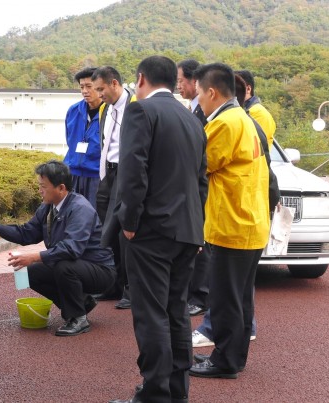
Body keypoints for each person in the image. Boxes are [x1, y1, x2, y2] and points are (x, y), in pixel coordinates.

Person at [108, 55, 208, 403]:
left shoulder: (141, 111)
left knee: (150, 314)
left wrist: (130, 222)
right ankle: (176, 392)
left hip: (151, 230)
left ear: (140, 79)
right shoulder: (192, 118)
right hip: (187, 231)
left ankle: (154, 394)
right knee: (176, 312)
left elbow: (133, 171)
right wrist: (197, 228)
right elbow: (201, 180)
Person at [189, 63, 270, 379]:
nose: (198, 101)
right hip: (248, 223)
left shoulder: (224, 123)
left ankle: (224, 360)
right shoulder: (243, 118)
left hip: (231, 225)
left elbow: (199, 165)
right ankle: (233, 358)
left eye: (198, 93)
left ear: (211, 92)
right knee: (238, 299)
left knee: (224, 300)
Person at [0, 160, 115, 337]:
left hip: (100, 271)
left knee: (63, 266)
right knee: (30, 273)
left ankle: (78, 318)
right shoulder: (48, 207)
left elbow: (71, 249)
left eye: (43, 186)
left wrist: (34, 256)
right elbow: (27, 233)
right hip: (76, 265)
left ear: (61, 188)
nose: (40, 190)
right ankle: (82, 303)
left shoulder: (80, 208)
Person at [91, 65, 136, 309]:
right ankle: (114, 284)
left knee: (124, 233)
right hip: (106, 173)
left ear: (115, 83)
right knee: (106, 231)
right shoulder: (105, 109)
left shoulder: (136, 105)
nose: (99, 94)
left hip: (125, 173)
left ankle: (130, 288)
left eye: (101, 89)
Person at [177, 58, 211, 318]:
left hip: (205, 188)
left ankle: (200, 295)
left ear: (194, 82)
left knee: (203, 244)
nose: (179, 86)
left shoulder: (207, 113)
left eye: (181, 81)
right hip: (193, 186)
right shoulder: (191, 110)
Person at [63, 67, 103, 206]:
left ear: (99, 87)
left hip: (97, 176)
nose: (84, 91)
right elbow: (69, 140)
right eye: (81, 87)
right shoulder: (73, 110)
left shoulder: (110, 112)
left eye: (88, 86)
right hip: (72, 174)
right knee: (72, 217)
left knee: (95, 219)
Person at [235, 69, 276, 150]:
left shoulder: (259, 114)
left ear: (248, 89)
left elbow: (253, 148)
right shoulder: (238, 111)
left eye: (235, 87)